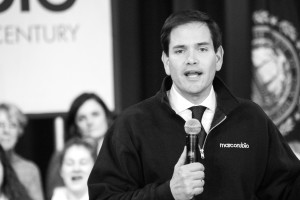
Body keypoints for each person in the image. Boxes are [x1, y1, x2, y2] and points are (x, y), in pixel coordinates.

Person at [87, 10, 300, 200]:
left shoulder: (251, 118)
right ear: (166, 62)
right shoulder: (132, 124)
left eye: (202, 49)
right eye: (180, 51)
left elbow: (286, 189)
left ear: (218, 58)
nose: (191, 59)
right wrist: (168, 192)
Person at [46, 93, 115, 200]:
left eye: (95, 114)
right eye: (82, 118)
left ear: (107, 117)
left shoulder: (121, 153)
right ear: (75, 125)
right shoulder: (62, 155)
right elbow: (55, 193)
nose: (89, 122)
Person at [0, 103, 44, 200]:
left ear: (19, 131)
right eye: (1, 125)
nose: (6, 131)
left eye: (13, 125)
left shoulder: (29, 170)